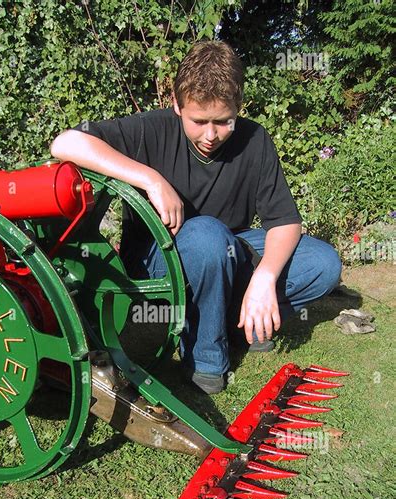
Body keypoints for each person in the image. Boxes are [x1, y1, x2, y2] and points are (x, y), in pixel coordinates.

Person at [50, 40, 342, 394]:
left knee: (322, 263)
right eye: (199, 121)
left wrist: (264, 278)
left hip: (230, 248)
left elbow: (284, 222)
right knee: (206, 236)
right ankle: (206, 359)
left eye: (223, 121)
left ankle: (236, 322)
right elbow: (66, 143)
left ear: (239, 107)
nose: (210, 135)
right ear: (176, 104)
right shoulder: (150, 129)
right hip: (159, 256)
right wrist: (150, 179)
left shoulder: (256, 140)